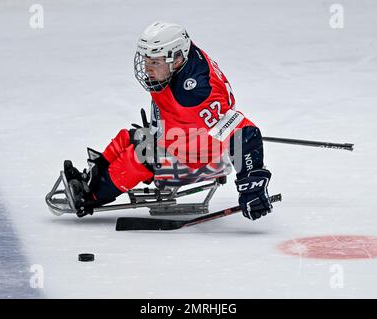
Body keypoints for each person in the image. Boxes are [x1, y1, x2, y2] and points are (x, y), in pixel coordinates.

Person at [66, 21, 273, 221]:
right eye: (146, 60)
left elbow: (243, 132)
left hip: (200, 160)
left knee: (139, 156)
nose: (147, 68)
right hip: (182, 137)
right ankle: (91, 181)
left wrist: (251, 185)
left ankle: (91, 197)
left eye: (155, 62)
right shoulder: (183, 55)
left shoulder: (195, 93)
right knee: (127, 138)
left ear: (176, 59)